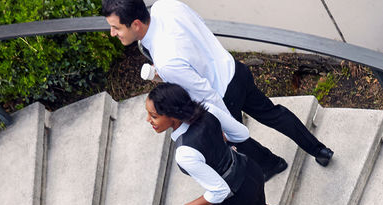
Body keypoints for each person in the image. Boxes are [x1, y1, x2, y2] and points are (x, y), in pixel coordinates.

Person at [102, 0, 335, 182]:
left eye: (115, 28)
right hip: (234, 69)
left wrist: (223, 124)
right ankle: (319, 150)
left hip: (222, 95)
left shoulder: (166, 61)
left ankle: (272, 164)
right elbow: (199, 25)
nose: (113, 33)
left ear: (136, 24)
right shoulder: (166, 6)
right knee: (274, 114)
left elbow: (204, 93)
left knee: (239, 140)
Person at [146, 83, 328, 205]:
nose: (148, 120)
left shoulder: (184, 153)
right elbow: (241, 134)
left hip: (238, 191)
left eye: (153, 116)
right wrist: (223, 143)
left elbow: (220, 191)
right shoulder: (206, 109)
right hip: (249, 167)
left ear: (172, 115)